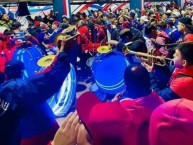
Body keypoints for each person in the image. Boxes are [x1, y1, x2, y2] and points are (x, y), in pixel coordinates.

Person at [0, 35, 75, 145]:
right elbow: (49, 78)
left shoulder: (7, 89)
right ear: (22, 71)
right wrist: (63, 53)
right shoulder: (18, 89)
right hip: (38, 133)